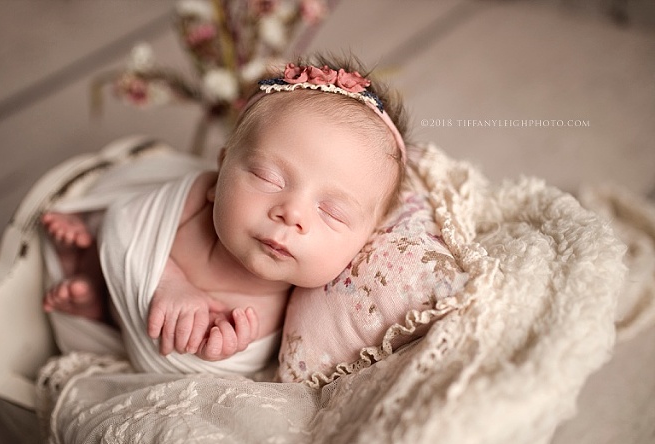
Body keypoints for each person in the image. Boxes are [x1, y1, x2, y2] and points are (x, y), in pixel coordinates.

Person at [41, 55, 410, 375]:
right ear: (221, 172)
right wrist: (169, 283)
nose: (292, 214)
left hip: (129, 341)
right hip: (124, 271)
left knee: (146, 334)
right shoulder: (197, 197)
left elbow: (220, 366)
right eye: (268, 178)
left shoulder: (287, 310)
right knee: (110, 232)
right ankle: (90, 257)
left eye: (332, 212)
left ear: (366, 237)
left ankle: (97, 308)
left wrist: (217, 346)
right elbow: (128, 223)